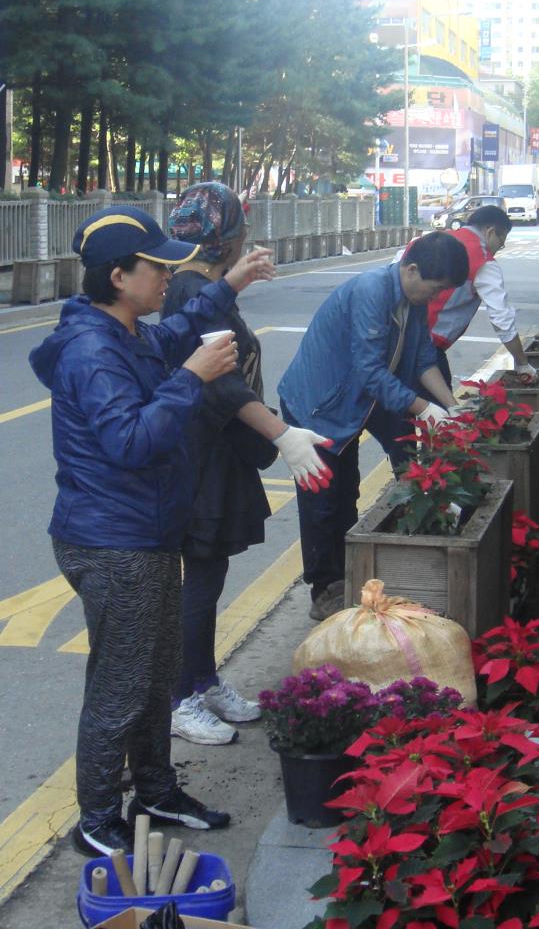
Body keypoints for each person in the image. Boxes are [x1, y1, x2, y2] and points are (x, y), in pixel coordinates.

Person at [28, 205, 275, 857]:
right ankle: (97, 819)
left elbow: (178, 332)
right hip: (113, 542)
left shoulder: (128, 331)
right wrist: (192, 378)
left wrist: (232, 284)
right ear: (118, 276)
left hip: (147, 533)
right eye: (157, 266)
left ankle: (157, 791)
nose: (170, 276)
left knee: (156, 673)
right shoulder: (93, 351)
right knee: (121, 686)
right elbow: (132, 441)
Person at [162, 183, 333, 746]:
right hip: (200, 452)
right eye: (241, 231)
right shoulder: (189, 286)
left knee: (210, 572)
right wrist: (281, 435)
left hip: (219, 448)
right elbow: (222, 383)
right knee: (199, 575)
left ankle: (202, 680)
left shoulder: (202, 283)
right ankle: (178, 698)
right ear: (228, 237)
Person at [277, 231, 470, 622]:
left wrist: (452, 408)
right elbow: (370, 372)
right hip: (318, 405)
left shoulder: (413, 301)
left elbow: (423, 362)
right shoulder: (372, 291)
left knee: (347, 490)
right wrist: (424, 409)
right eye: (435, 289)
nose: (435, 298)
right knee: (322, 500)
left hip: (357, 403)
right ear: (411, 269)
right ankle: (324, 588)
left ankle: (351, 575)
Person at [393, 203, 538, 391]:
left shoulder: (426, 241)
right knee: (437, 405)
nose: (499, 248)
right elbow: (502, 320)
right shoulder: (484, 262)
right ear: (490, 232)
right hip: (427, 349)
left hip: (393, 341)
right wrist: (522, 363)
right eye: (501, 242)